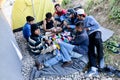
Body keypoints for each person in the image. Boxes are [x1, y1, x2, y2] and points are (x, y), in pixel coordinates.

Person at [76, 9, 105, 77]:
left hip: (95, 33)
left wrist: (88, 29)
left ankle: (101, 63)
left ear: (81, 15)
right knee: (90, 50)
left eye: (78, 16)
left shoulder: (89, 18)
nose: (77, 17)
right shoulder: (81, 22)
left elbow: (97, 26)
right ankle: (93, 68)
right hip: (89, 36)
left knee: (99, 45)